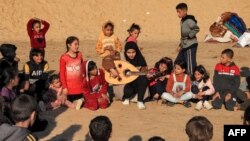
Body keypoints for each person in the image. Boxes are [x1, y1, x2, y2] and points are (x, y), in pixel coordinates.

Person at [175, 3, 200, 75]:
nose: (178, 14)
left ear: (185, 11)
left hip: (190, 46)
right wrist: (180, 45)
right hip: (184, 45)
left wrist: (189, 36)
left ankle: (192, 81)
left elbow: (196, 29)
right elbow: (183, 35)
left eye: (179, 12)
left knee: (190, 66)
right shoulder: (182, 20)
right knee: (177, 62)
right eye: (177, 12)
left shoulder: (189, 20)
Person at [122, 42, 148, 109]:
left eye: (133, 52)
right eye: (129, 52)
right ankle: (127, 98)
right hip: (128, 83)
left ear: (136, 51)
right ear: (125, 52)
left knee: (143, 78)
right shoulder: (122, 59)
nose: (131, 55)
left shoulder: (140, 59)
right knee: (128, 91)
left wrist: (136, 71)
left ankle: (140, 101)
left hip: (138, 84)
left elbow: (145, 72)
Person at [60, 36, 84, 104]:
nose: (77, 46)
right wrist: (64, 87)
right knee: (68, 103)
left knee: (82, 101)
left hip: (80, 87)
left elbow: (82, 69)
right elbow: (62, 74)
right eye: (75, 44)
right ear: (69, 45)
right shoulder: (64, 57)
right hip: (69, 89)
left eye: (78, 44)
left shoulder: (80, 54)